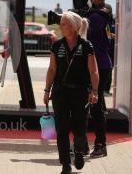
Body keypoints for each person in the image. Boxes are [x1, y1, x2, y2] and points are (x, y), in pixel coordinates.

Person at [44, 11, 99, 174]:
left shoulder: (86, 46)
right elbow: (52, 69)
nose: (60, 27)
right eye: (61, 24)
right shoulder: (57, 45)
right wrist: (47, 90)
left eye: (63, 24)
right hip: (60, 91)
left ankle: (79, 151)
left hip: (80, 92)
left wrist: (94, 91)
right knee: (62, 128)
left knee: (80, 129)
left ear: (74, 27)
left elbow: (93, 71)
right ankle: (65, 164)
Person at [86, 0, 112, 157]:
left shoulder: (95, 16)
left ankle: (100, 144)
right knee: (95, 105)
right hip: (101, 64)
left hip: (98, 66)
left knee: (95, 107)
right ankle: (90, 143)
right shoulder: (106, 11)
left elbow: (85, 34)